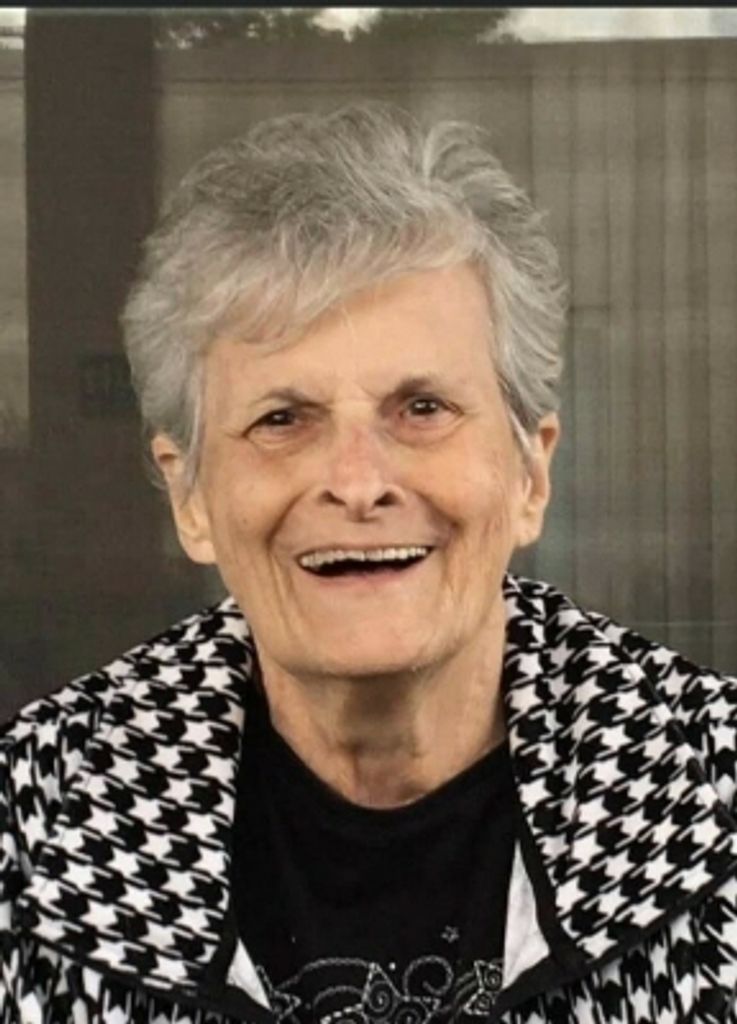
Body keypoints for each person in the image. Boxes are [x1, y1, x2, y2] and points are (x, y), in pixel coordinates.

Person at [1, 103, 736, 1024]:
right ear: (190, 496)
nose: (356, 483)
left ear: (530, 474)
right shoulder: (33, 820)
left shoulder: (712, 784)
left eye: (422, 408)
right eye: (281, 419)